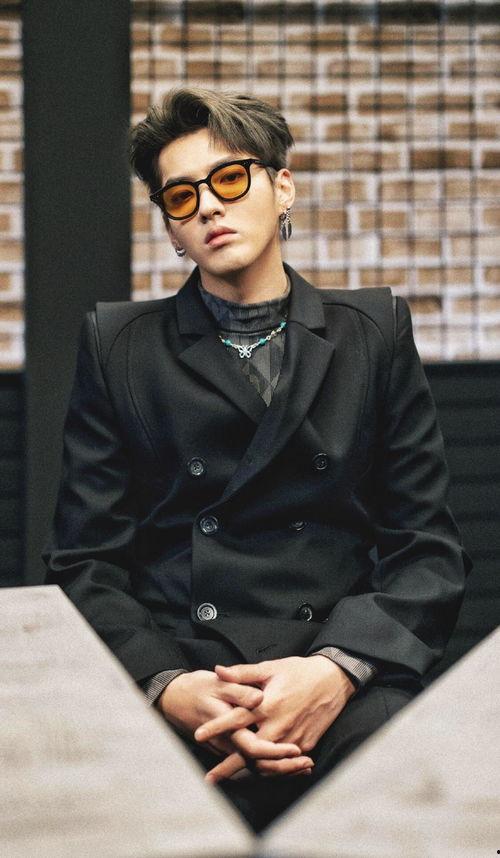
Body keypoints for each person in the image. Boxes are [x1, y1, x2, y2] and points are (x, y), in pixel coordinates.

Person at [44, 86, 471, 832]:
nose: (209, 206)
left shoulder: (373, 331)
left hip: (339, 676)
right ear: (172, 230)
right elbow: (86, 560)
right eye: (182, 196)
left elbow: (425, 549)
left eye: (231, 178)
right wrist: (165, 684)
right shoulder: (118, 346)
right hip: (189, 677)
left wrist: (338, 669)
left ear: (283, 188)